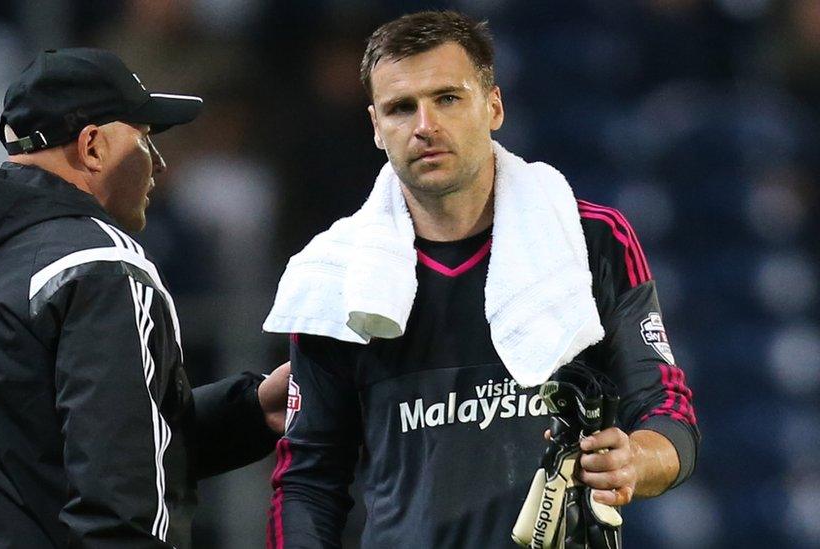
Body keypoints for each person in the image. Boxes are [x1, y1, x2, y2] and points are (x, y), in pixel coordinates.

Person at [264, 11, 699, 548]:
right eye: (402, 108)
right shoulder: (336, 274)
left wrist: (637, 458)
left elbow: (666, 410)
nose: (425, 125)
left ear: (493, 106)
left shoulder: (591, 240)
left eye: (448, 98)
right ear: (376, 127)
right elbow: (309, 479)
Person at [0, 48, 289, 549]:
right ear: (93, 146)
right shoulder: (102, 262)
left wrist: (249, 409)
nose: (158, 164)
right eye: (144, 138)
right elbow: (121, 497)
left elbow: (53, 451)